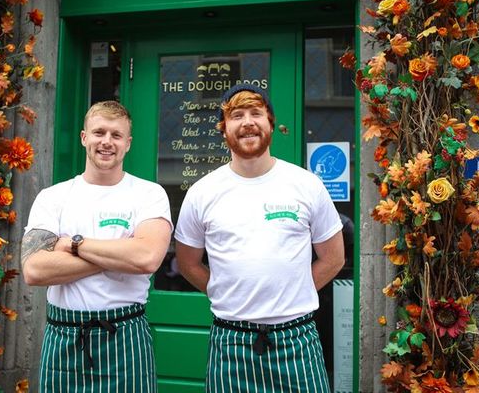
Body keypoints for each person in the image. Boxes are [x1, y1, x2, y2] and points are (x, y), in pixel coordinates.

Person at [174, 84, 345, 392]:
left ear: (271, 122)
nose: (247, 122)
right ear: (223, 128)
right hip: (230, 340)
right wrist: (227, 292)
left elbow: (334, 258)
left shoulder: (306, 184)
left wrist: (291, 291)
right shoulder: (202, 192)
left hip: (296, 338)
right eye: (237, 115)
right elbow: (188, 264)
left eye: (256, 113)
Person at [22, 101, 172, 393]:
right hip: (64, 336)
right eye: (99, 132)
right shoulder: (53, 197)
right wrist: (121, 253)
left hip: (125, 335)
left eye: (116, 135)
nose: (107, 141)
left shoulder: (148, 194)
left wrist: (75, 245)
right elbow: (35, 269)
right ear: (83, 138)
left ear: (127, 144)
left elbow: (147, 258)